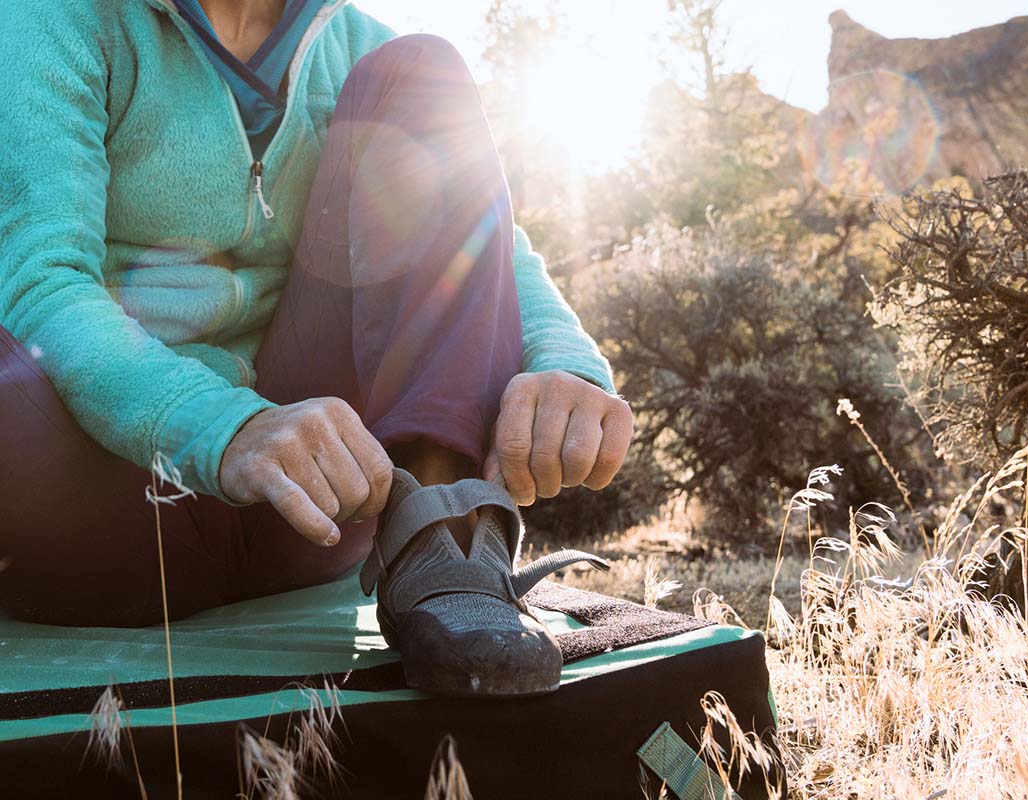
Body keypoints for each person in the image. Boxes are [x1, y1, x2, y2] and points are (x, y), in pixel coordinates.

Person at [0, 0, 634, 697]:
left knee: (421, 72)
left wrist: (563, 365)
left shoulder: (361, 48)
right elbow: (44, 281)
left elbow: (491, 249)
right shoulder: (55, 20)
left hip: (321, 503)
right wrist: (226, 428)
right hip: (96, 511)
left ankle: (443, 545)